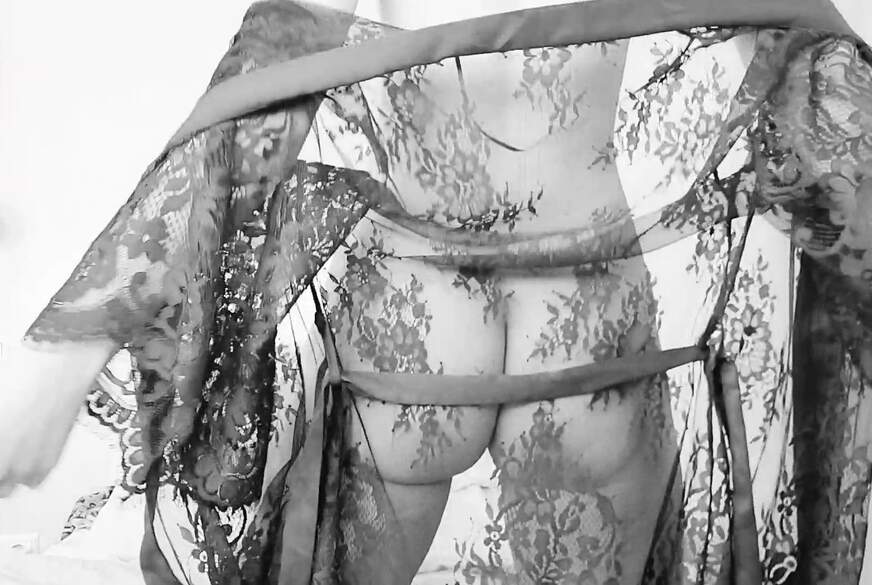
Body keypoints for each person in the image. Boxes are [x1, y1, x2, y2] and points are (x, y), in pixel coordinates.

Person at [1, 1, 871, 584]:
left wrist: (75, 347)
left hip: (417, 310)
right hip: (588, 320)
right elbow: (808, 66)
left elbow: (272, 72)